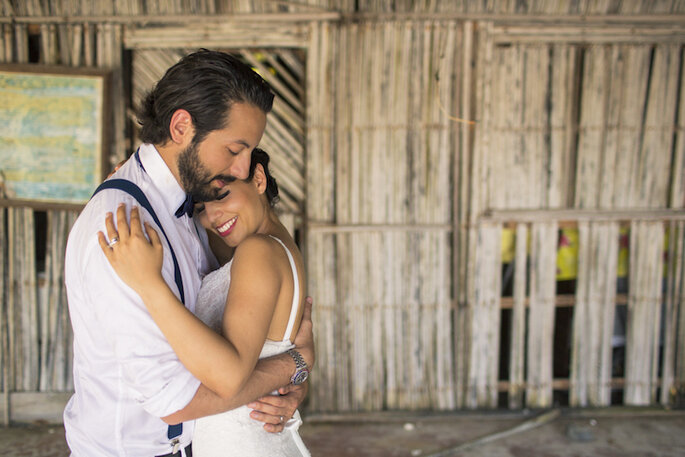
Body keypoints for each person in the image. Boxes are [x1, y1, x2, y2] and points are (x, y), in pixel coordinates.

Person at [63, 50, 314, 457]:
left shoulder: (194, 208)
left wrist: (290, 370)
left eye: (251, 152)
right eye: (234, 149)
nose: (242, 167)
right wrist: (291, 365)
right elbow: (174, 400)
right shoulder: (121, 228)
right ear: (181, 126)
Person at [99, 148, 310, 456]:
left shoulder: (257, 251)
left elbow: (227, 376)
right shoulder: (265, 247)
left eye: (222, 196)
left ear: (259, 179)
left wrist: (149, 284)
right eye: (202, 206)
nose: (213, 217)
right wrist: (137, 183)